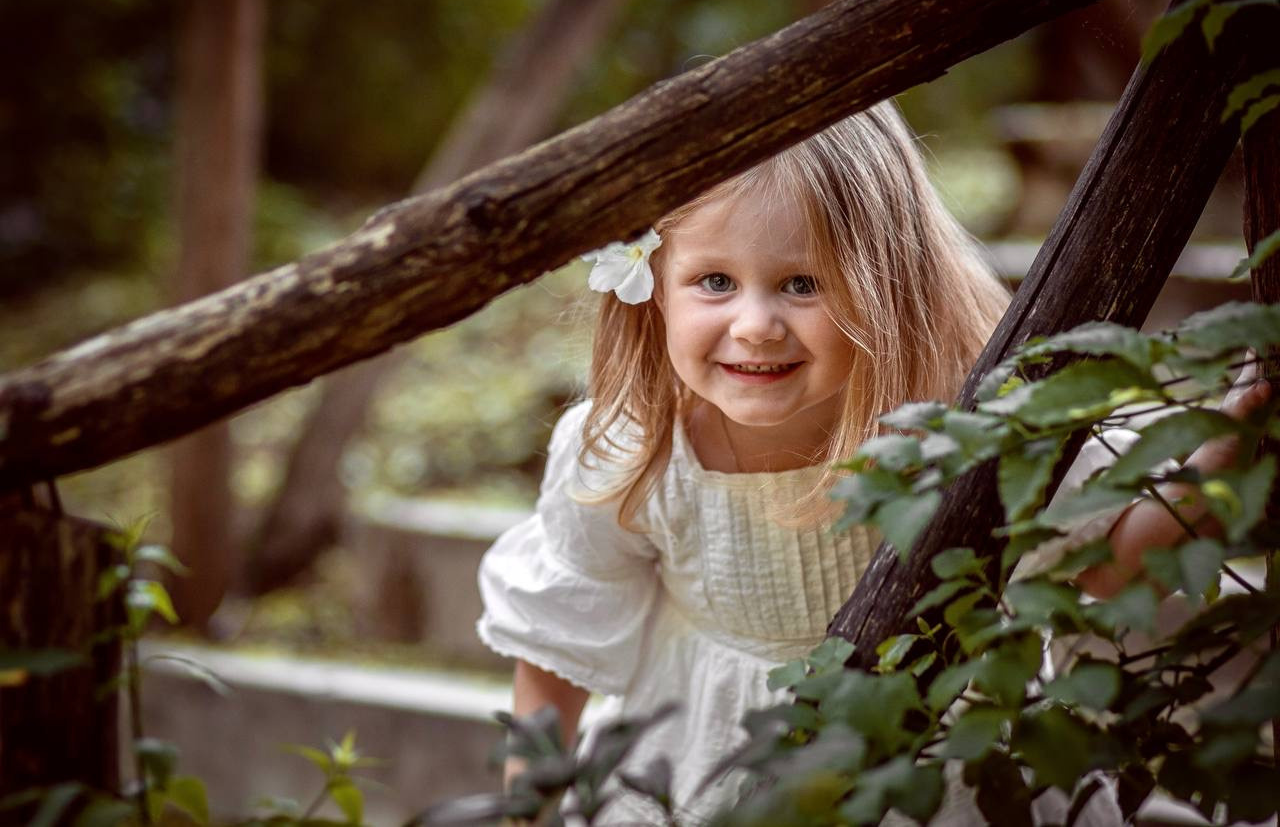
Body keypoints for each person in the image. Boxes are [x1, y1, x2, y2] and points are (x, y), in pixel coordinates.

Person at [474, 98, 1268, 824]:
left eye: (802, 283)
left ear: (886, 287)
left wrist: (1229, 445)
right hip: (708, 773)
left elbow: (1108, 561)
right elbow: (557, 647)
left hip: (934, 778)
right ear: (654, 287)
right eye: (715, 281)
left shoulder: (950, 433)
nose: (756, 325)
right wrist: (526, 811)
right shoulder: (633, 452)